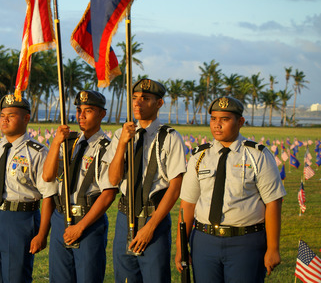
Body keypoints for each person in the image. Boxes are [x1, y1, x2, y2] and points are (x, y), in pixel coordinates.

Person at [175, 96, 286, 282]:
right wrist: (181, 248)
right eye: (213, 119)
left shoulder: (257, 155)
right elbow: (187, 205)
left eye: (224, 119)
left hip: (245, 241)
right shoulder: (199, 156)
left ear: (240, 122)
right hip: (204, 240)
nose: (217, 125)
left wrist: (273, 248)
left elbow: (273, 203)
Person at [0, 94, 57, 283]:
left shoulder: (37, 152)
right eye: (2, 115)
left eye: (11, 115)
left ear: (26, 118)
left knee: (16, 277)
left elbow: (49, 196)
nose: (5, 120)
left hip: (20, 220)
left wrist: (42, 234)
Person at [106, 79, 187, 282]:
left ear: (159, 103)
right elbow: (114, 178)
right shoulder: (120, 135)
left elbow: (175, 188)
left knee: (155, 277)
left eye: (145, 98)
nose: (138, 103)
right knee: (125, 277)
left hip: (154, 218)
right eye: (134, 98)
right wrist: (123, 144)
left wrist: (150, 227)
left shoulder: (169, 137)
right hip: (125, 216)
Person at [42, 90, 117, 283]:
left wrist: (81, 227)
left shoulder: (106, 148)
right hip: (61, 217)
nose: (81, 116)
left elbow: (108, 194)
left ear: (102, 114)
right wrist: (56, 142)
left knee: (87, 277)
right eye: (78, 110)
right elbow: (48, 175)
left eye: (88, 110)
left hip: (88, 221)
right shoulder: (69, 142)